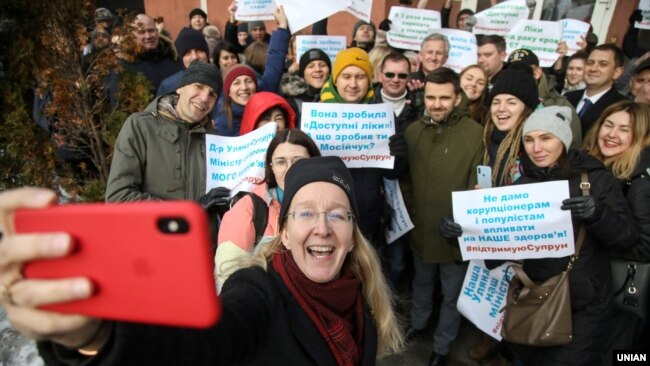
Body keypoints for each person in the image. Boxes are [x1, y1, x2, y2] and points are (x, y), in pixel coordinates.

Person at [0, 156, 404, 365]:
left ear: (353, 235)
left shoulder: (361, 300)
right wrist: (95, 338)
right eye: (305, 213)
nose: (322, 228)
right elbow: (205, 344)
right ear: (284, 231)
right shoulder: (258, 290)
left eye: (337, 214)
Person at [442, 105, 639, 366]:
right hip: (533, 299)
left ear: (564, 140)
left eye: (546, 138)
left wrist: (598, 213)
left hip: (583, 306)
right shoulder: (522, 185)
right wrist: (461, 236)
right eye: (529, 139)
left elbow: (627, 239)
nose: (537, 148)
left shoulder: (593, 178)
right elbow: (498, 253)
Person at [400, 67, 484, 366]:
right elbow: (406, 181)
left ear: (457, 98)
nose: (437, 104)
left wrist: (466, 224)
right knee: (421, 284)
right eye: (431, 97)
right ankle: (419, 324)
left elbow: (479, 185)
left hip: (455, 236)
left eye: (444, 98)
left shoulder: (475, 135)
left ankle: (442, 345)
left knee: (452, 295)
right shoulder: (413, 131)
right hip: (421, 229)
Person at [583, 100, 650, 354]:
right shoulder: (590, 167)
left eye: (624, 129)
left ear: (640, 137)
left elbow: (645, 248)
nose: (611, 134)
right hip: (588, 293)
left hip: (617, 297)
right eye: (608, 125)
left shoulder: (639, 183)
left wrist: (601, 225)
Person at [215, 129, 320, 288]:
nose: (289, 169)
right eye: (280, 161)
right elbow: (227, 275)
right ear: (271, 166)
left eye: (298, 161)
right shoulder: (248, 208)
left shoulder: (330, 205)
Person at [105, 61, 222, 203]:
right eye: (199, 86)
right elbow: (119, 197)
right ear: (180, 87)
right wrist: (189, 212)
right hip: (156, 225)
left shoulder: (216, 142)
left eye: (212, 94)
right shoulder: (141, 127)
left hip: (204, 226)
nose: (204, 98)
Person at [213, 6, 290, 136]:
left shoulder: (264, 96)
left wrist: (282, 27)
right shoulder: (223, 122)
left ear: (256, 86)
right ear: (228, 93)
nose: (244, 87)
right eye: (236, 83)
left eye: (248, 81)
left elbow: (273, 66)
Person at [507, 48, 583, 150]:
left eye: (524, 71)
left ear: (538, 72)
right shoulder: (503, 103)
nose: (517, 76)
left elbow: (574, 146)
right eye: (511, 72)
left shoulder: (560, 105)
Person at [484, 67, 540, 186]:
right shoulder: (484, 142)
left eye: (511, 102)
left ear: (527, 109)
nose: (501, 109)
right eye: (496, 102)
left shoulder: (538, 146)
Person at [564, 44, 627, 136]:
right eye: (590, 63)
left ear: (617, 72)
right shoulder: (568, 98)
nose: (593, 69)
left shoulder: (622, 106)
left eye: (603, 64)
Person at [121, 14, 181, 93]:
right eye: (141, 32)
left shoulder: (172, 57)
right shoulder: (123, 66)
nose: (148, 36)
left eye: (151, 30)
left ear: (157, 31)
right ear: (132, 35)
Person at [280, 48, 332, 124]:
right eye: (311, 66)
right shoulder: (292, 102)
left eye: (322, 65)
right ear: (302, 74)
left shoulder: (340, 96)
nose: (317, 69)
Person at [157, 27, 210, 97]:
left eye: (199, 50)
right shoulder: (168, 86)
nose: (195, 57)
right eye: (187, 52)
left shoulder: (221, 81)